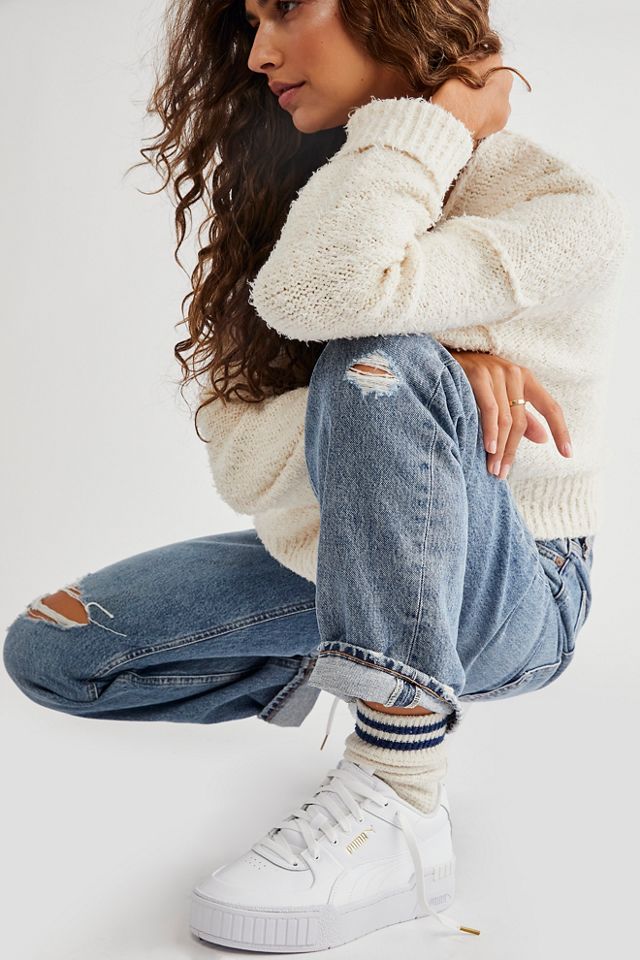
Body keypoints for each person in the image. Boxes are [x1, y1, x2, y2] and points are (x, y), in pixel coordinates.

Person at [2, 0, 631, 950]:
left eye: (288, 7)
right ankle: (374, 641)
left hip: (517, 588)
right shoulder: (294, 202)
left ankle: (399, 789)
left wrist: (433, 127)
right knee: (55, 647)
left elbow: (329, 293)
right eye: (250, 21)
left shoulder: (553, 206)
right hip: (338, 552)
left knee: (379, 361)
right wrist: (433, 382)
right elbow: (237, 455)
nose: (260, 52)